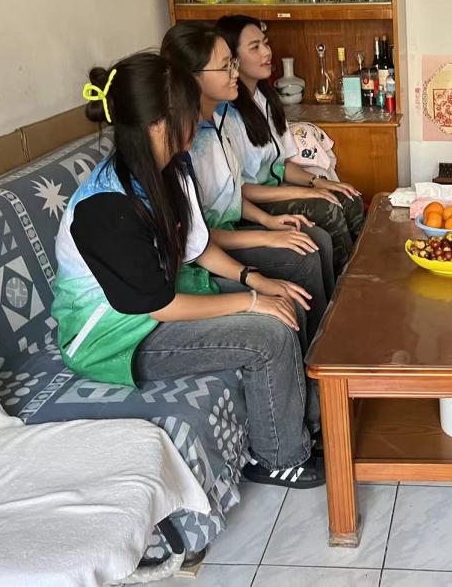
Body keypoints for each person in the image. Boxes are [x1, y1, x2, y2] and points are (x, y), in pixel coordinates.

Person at [52, 52, 324, 488]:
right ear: (158, 123)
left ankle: (309, 424)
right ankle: (278, 457)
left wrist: (256, 281)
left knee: (285, 295)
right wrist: (252, 301)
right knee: (267, 334)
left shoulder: (169, 168)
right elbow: (159, 306)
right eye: (188, 107)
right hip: (115, 337)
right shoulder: (106, 207)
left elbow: (198, 247)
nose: (198, 116)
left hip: (157, 305)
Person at [160, 22, 335, 338]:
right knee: (306, 253)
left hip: (223, 233)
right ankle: (323, 346)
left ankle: (334, 328)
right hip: (208, 250)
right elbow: (196, 238)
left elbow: (233, 192)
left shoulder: (219, 118)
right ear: (191, 77)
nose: (235, 72)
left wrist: (269, 222)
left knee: (316, 237)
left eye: (233, 63)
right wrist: (266, 236)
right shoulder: (182, 144)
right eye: (226, 66)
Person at [215, 15, 364, 277]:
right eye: (255, 47)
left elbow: (282, 165)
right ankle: (348, 287)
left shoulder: (265, 98)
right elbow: (240, 190)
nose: (267, 52)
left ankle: (364, 274)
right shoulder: (224, 114)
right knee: (327, 209)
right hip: (251, 205)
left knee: (349, 198)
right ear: (232, 59)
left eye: (265, 43)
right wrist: (305, 194)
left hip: (276, 191)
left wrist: (318, 182)